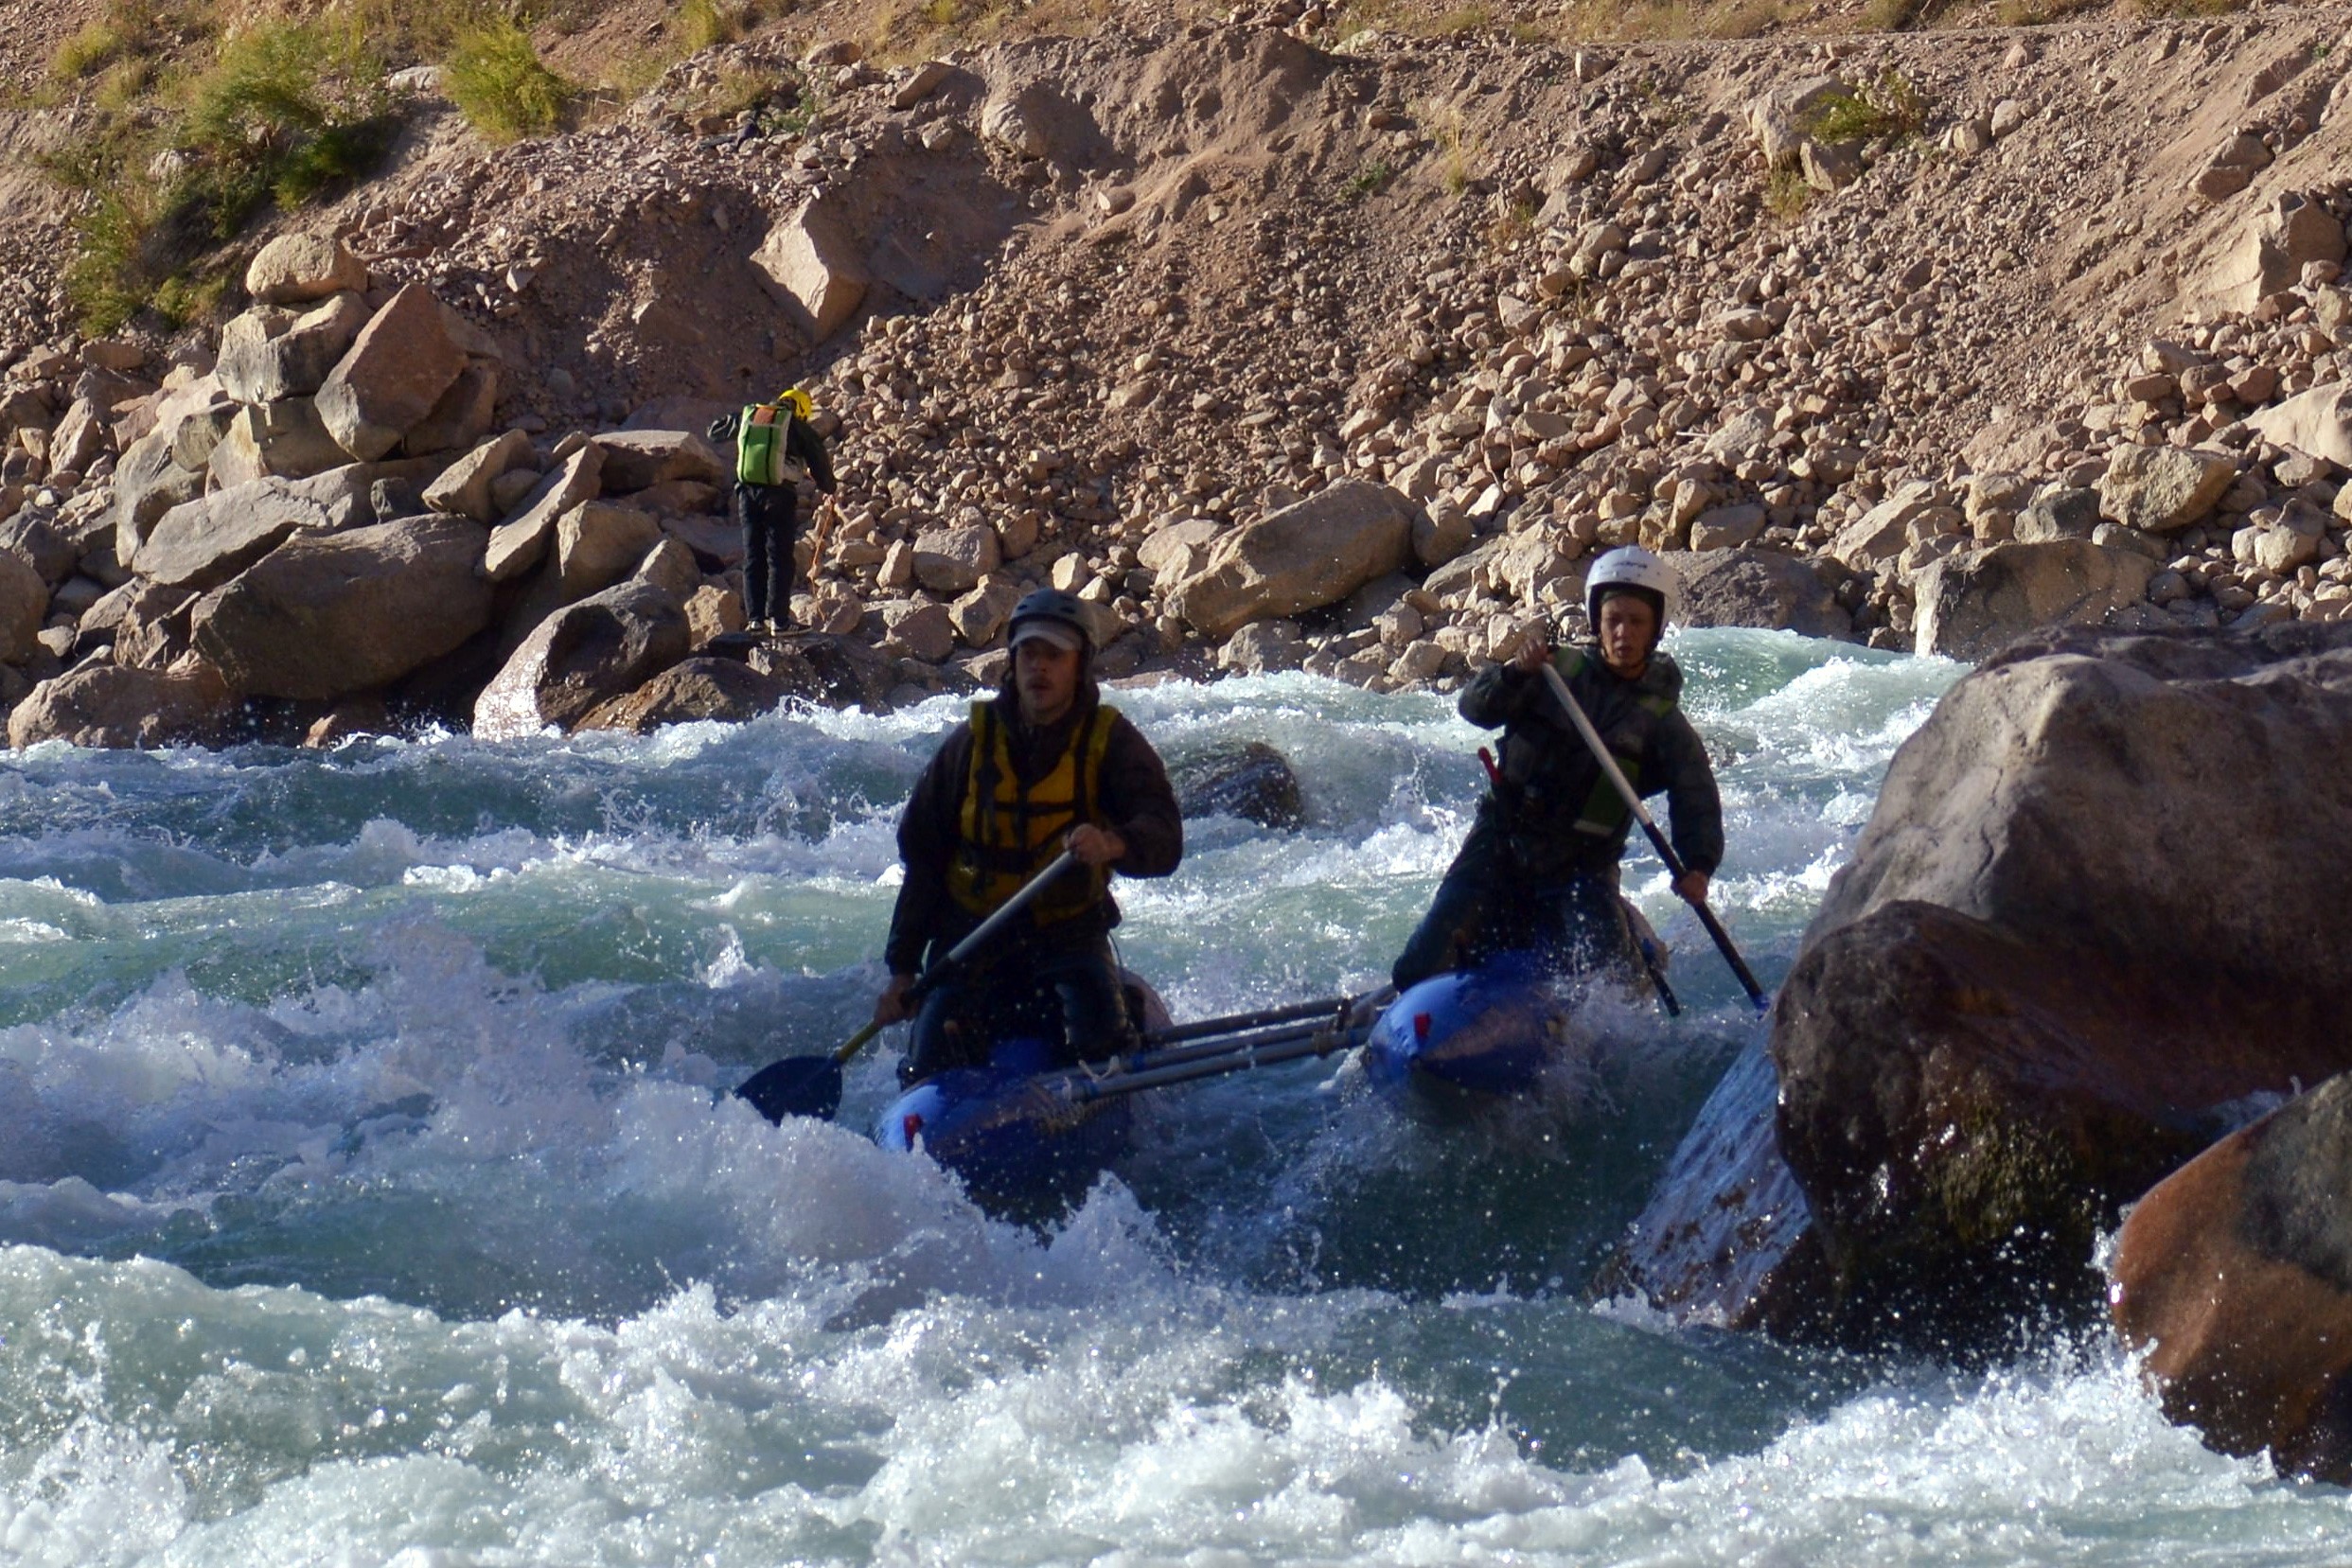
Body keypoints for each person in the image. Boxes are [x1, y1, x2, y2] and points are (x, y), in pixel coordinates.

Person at [873, 589, 1184, 1083]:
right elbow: (925, 859)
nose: (1040, 668)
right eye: (1029, 654)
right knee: (927, 1063)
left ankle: (1121, 1021)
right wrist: (903, 970)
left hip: (1067, 936)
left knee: (1100, 1049)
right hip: (973, 938)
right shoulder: (970, 744)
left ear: (1079, 665)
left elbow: (1165, 833)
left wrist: (1114, 843)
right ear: (1013, 662)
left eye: (1054, 655)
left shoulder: (1111, 741)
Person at [1391, 545, 1724, 994]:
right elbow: (1473, 708)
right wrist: (1512, 674)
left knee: (1614, 993)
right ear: (1596, 623)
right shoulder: (1550, 672)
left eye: (1636, 621)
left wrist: (1698, 865)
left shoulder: (1662, 720)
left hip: (1582, 865)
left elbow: (1695, 794)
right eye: (1613, 620)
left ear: (1655, 629)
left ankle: (1626, 940)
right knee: (1418, 966)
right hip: (1504, 840)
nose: (1623, 632)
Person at [708, 388, 838, 635]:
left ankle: (755, 620)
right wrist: (829, 487)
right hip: (779, 495)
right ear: (800, 409)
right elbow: (817, 457)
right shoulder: (796, 426)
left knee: (753, 556)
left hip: (746, 494)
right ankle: (780, 621)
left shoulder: (750, 415)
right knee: (779, 557)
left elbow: (714, 432)